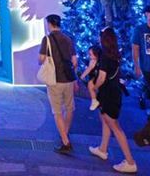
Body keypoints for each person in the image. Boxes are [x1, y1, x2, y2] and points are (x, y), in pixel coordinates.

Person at [90, 27, 137, 173]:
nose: (98, 39)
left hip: (108, 94)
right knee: (105, 119)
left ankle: (130, 161)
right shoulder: (115, 55)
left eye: (100, 36)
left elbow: (102, 78)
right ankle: (102, 149)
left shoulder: (105, 56)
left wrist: (94, 86)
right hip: (113, 92)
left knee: (115, 126)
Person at [38, 14, 78, 154]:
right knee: (69, 108)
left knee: (57, 111)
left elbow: (41, 59)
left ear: (50, 24)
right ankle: (64, 133)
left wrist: (42, 60)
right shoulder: (68, 39)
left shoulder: (47, 39)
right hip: (68, 78)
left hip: (55, 80)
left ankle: (65, 142)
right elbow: (74, 61)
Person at [79, 45, 102, 111]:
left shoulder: (102, 62)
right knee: (90, 84)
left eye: (90, 54)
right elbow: (88, 69)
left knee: (90, 83)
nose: (89, 56)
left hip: (101, 78)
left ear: (96, 55)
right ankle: (94, 100)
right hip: (95, 77)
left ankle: (95, 100)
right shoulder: (92, 62)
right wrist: (82, 76)